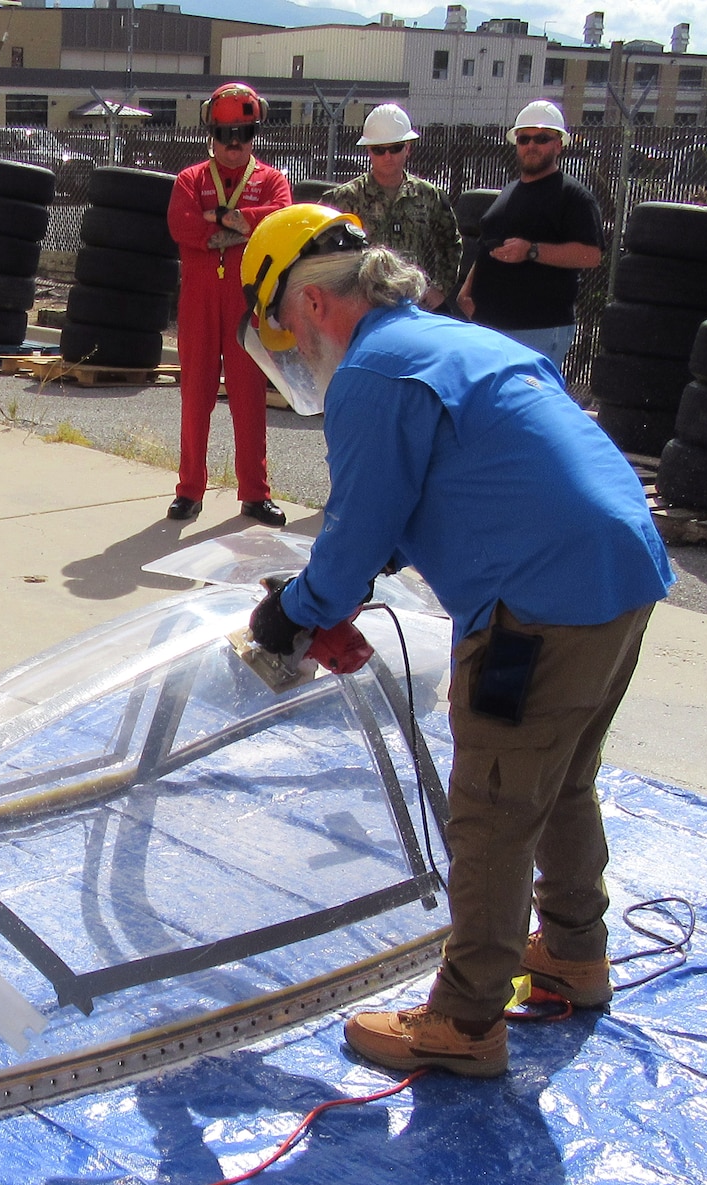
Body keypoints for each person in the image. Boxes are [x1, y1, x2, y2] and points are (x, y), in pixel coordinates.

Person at [237, 204, 672, 1077]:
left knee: (493, 809)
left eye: (285, 326)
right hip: (621, 576)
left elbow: (356, 532)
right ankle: (576, 951)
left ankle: (467, 1021)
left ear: (313, 305)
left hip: (539, 600)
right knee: (562, 776)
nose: (294, 348)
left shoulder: (373, 373)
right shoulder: (454, 341)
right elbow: (441, 490)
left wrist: (294, 612)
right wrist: (337, 601)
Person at [164, 82, 293, 526]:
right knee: (195, 395)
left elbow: (278, 220)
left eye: (243, 133)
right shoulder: (190, 179)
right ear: (211, 133)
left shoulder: (272, 180)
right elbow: (182, 226)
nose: (234, 144)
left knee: (249, 397)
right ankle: (189, 491)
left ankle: (255, 494)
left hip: (245, 302)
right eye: (225, 134)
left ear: (255, 131)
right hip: (199, 301)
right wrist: (239, 225)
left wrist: (217, 218)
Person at [457, 100, 602, 369]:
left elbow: (591, 254)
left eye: (541, 138)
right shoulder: (510, 191)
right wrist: (466, 293)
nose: (531, 145)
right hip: (490, 325)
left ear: (558, 145)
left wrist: (532, 250)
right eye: (524, 139)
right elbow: (489, 243)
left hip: (539, 330)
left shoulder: (572, 196)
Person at [326, 104, 459, 313]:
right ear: (368, 151)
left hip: (413, 306)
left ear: (408, 148)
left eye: (395, 148)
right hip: (363, 307)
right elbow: (322, 251)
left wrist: (440, 289)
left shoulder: (428, 195)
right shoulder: (345, 198)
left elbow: (450, 243)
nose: (388, 156)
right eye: (379, 150)